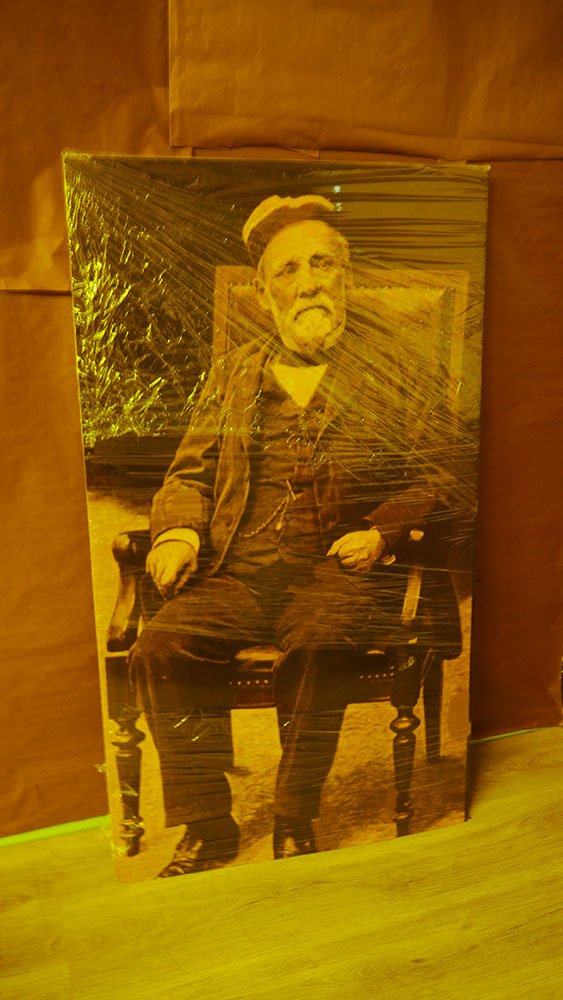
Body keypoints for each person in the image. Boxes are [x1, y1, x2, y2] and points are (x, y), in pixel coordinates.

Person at [129, 193, 461, 877]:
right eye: (288, 270)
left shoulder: (398, 368)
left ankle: (293, 816)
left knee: (319, 641)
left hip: (340, 571)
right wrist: (178, 533)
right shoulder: (232, 373)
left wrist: (383, 533)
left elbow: (445, 473)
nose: (308, 282)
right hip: (240, 569)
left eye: (322, 264)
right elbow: (188, 473)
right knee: (159, 647)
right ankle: (208, 825)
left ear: (347, 276)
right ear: (263, 291)